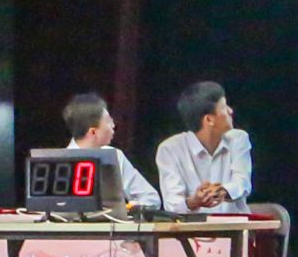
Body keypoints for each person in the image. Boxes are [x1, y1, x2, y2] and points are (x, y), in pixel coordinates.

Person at [155, 81, 251, 214]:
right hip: (193, 226)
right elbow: (172, 203)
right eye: (224, 107)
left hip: (236, 225)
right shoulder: (170, 149)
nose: (231, 111)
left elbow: (243, 182)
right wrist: (194, 201)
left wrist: (222, 191)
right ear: (209, 120)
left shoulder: (238, 138)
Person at [62, 93, 160, 210]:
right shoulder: (58, 161)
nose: (113, 125)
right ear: (93, 132)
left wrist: (131, 209)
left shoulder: (115, 156)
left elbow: (151, 198)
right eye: (108, 121)